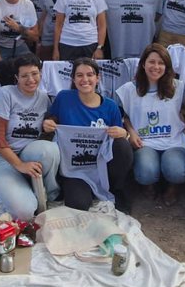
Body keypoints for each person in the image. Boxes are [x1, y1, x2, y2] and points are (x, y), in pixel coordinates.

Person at [43, 58, 134, 211]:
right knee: (78, 204)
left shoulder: (111, 106)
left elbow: (118, 138)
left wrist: (124, 132)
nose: (85, 79)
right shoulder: (64, 98)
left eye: (90, 75)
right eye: (79, 75)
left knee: (122, 145)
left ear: (97, 78)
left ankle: (116, 188)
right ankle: (81, 189)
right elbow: (52, 118)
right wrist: (48, 123)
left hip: (102, 165)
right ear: (73, 79)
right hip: (75, 169)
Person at [0, 54, 61, 219]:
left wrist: (49, 122)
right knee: (24, 212)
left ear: (41, 73)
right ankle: (9, 190)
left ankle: (49, 194)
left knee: (49, 149)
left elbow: (50, 121)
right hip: (0, 159)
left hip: (26, 153)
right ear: (16, 77)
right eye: (24, 75)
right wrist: (19, 165)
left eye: (34, 74)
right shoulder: (5, 95)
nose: (30, 79)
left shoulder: (43, 97)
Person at [117, 44, 185, 202]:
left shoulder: (179, 87)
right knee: (146, 172)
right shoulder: (128, 89)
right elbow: (123, 116)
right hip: (145, 143)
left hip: (173, 142)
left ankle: (172, 187)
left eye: (161, 63)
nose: (156, 67)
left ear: (167, 66)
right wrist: (131, 131)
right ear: (143, 64)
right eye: (152, 62)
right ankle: (149, 185)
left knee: (176, 171)